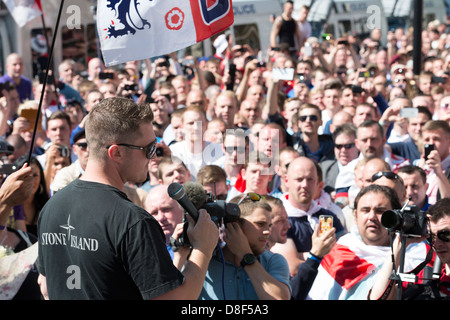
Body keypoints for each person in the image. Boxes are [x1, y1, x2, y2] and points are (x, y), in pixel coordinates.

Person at [37, 97, 219, 300]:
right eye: (148, 148)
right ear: (117, 153)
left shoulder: (51, 207)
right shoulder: (133, 221)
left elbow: (45, 286)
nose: (153, 157)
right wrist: (203, 248)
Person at [307, 185, 428, 300]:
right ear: (355, 216)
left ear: (395, 217)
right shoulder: (341, 250)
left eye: (380, 211)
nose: (372, 216)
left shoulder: (418, 253)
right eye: (365, 210)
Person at [199, 193, 291, 300]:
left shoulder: (273, 261)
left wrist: (246, 256)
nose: (268, 232)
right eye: (260, 224)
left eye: (269, 225)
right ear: (234, 225)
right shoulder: (205, 263)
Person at [270, 156, 345, 277]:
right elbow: (292, 267)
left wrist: (303, 255)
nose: (305, 185)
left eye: (310, 179)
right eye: (299, 179)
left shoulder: (328, 217)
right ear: (287, 180)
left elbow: (344, 257)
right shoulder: (278, 219)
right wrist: (320, 256)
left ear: (317, 182)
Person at [369, 197, 450, 300]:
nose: (437, 243)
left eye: (445, 235)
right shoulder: (424, 277)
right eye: (432, 236)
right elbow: (378, 298)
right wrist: (399, 244)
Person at [9, 155, 49, 237]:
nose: (31, 181)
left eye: (35, 175)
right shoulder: (9, 207)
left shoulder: (46, 205)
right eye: (26, 175)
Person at [144, 184, 184, 259]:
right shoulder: (146, 253)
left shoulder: (197, 242)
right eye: (154, 213)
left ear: (181, 208)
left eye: (166, 209)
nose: (161, 218)